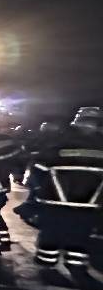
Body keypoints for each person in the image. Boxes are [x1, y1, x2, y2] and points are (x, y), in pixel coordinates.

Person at [27, 108, 103, 272]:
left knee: (52, 235)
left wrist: (36, 193)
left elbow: (38, 167)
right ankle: (75, 267)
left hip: (56, 200)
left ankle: (48, 266)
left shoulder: (59, 140)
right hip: (89, 203)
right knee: (80, 236)